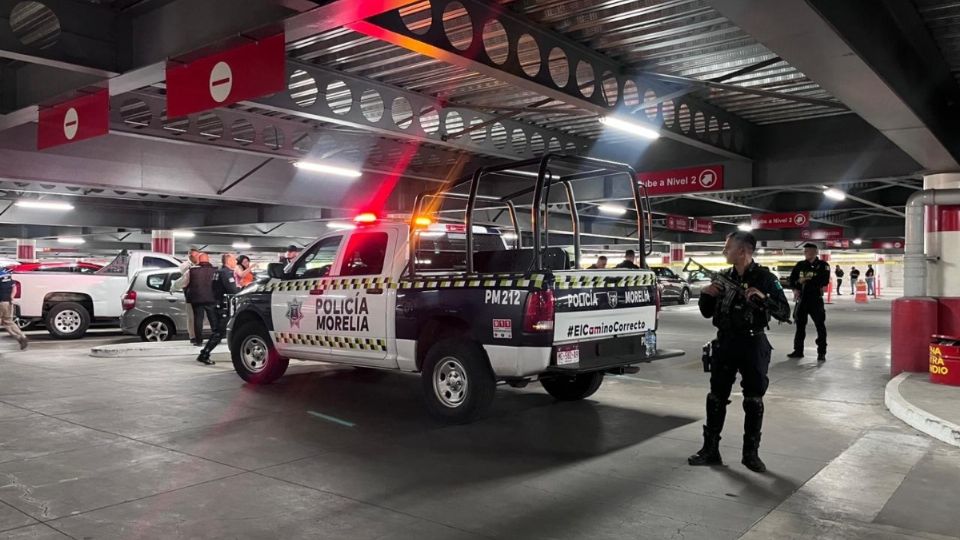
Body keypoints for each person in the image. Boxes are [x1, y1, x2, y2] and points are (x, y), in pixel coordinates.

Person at [688, 232, 790, 473]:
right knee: (716, 397)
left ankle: (751, 454)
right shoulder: (722, 278)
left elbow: (785, 313)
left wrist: (762, 297)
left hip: (753, 344)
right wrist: (706, 295)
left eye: (728, 247)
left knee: (754, 400)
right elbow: (706, 312)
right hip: (725, 343)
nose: (725, 252)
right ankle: (710, 449)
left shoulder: (766, 278)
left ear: (743, 251)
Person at [787, 244, 831, 362]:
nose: (806, 253)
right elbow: (791, 280)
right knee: (800, 326)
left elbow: (824, 281)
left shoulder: (823, 265)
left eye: (808, 251)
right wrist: (796, 287)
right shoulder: (800, 265)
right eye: (805, 251)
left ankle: (821, 352)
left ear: (815, 252)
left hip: (815, 299)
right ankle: (798, 350)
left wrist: (806, 280)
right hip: (802, 299)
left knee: (820, 326)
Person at [197, 253, 240, 365]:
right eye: (234, 260)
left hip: (217, 304)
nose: (235, 262)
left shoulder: (218, 272)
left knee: (220, 331)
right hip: (223, 307)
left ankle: (205, 353)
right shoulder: (226, 273)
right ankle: (204, 354)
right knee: (219, 332)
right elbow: (233, 291)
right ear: (228, 261)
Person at [184, 253, 217, 354]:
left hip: (197, 299)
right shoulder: (215, 270)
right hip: (211, 298)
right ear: (208, 259)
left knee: (198, 319)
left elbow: (185, 283)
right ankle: (215, 338)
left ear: (199, 260)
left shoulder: (192, 270)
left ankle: (198, 341)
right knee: (213, 319)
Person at [175, 247, 202, 344]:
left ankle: (198, 334)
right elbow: (185, 275)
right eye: (194, 255)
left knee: (198, 317)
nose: (195, 257)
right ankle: (192, 336)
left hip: (200, 294)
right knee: (191, 317)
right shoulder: (184, 265)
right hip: (190, 294)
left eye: (197, 255)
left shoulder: (200, 265)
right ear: (189, 255)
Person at [0, 268, 28, 350]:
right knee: (8, 322)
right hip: (9, 302)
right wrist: (11, 297)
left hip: (1, 302)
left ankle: (20, 338)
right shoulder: (9, 278)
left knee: (6, 322)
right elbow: (14, 288)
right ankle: (21, 337)